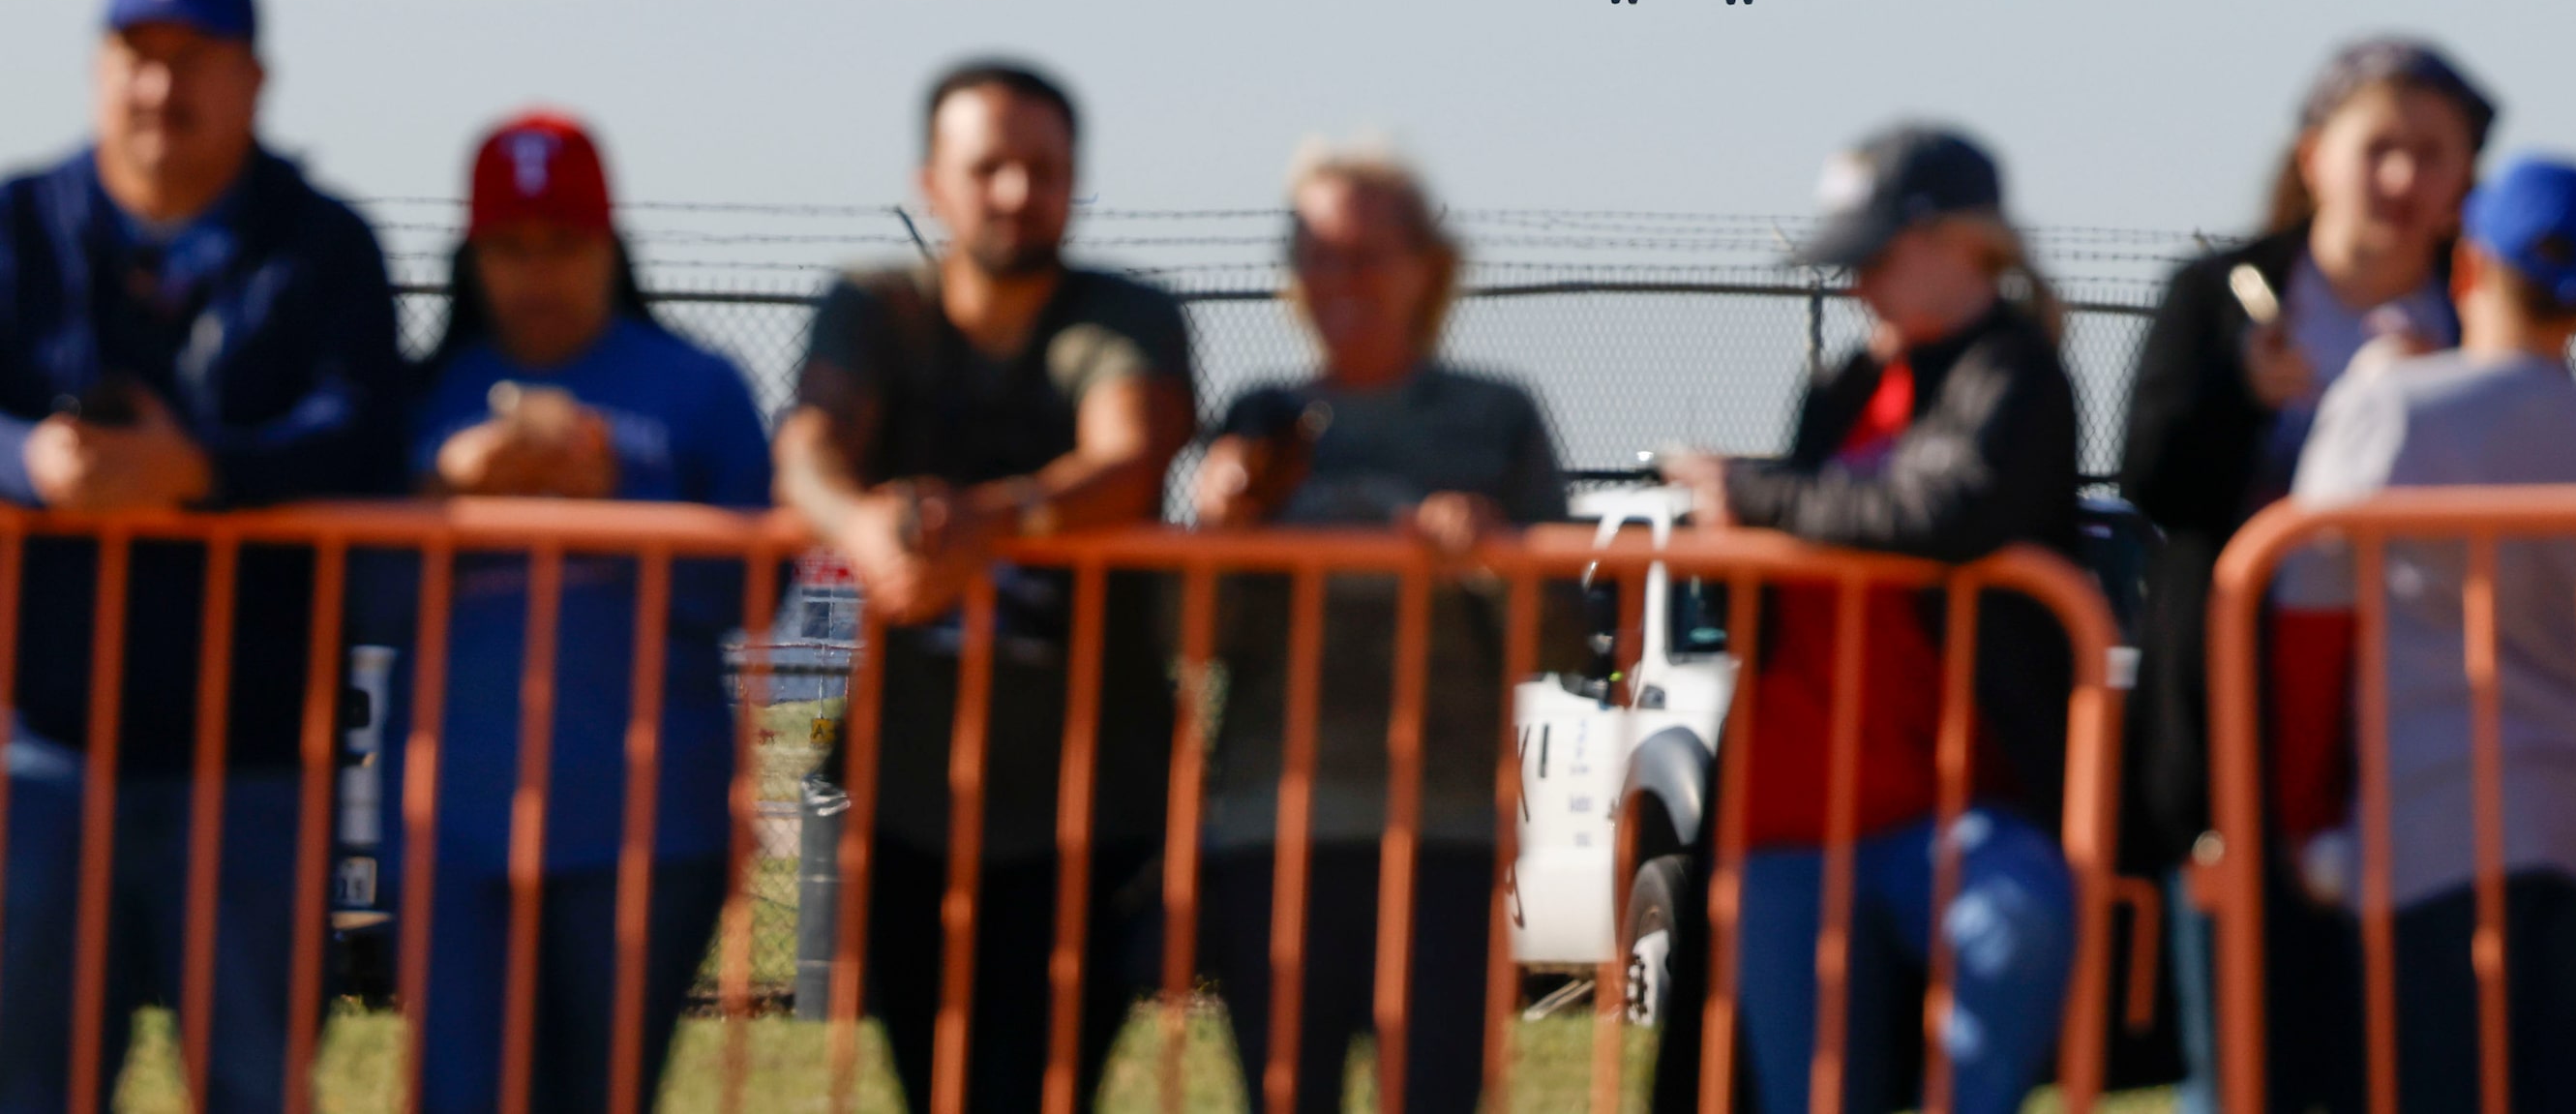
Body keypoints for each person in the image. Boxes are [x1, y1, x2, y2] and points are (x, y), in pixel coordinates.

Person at [0, 0, 406, 1113]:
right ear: (96, 68)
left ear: (255, 80)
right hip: (43, 747)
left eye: (196, 58)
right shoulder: (23, 224)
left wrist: (201, 471)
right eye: (138, 55)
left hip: (257, 756)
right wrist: (33, 459)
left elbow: (361, 435)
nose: (161, 88)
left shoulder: (323, 244)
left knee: (248, 1080)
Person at [773, 61, 1195, 1112]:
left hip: (1094, 803)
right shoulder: (876, 306)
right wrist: (859, 521)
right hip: (914, 796)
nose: (1016, 191)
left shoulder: (1124, 315)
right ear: (933, 182)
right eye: (989, 166)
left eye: (1043, 169)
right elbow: (810, 445)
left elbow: (1126, 456)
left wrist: (986, 524)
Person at [1661, 124, 2082, 1114]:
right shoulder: (1844, 385)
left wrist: (1755, 497)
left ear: (1957, 243)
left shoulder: (2012, 372)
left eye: (1875, 258)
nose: (1855, 288)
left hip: (1943, 801)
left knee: (2012, 928)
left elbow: (1941, 510)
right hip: (1786, 813)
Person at [2120, 37, 2494, 1114]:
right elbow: (2151, 477)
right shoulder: (2220, 297)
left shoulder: (2476, 317)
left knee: (2414, 1059)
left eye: (2430, 152)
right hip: (2240, 743)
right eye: (2378, 145)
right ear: (2314, 153)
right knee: (2243, 1064)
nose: (2400, 178)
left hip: (2420, 739)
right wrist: (2240, 393)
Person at [380, 112, 771, 1114]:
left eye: (565, 244)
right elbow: (357, 600)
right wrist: (440, 493)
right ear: (473, 257)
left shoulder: (696, 390)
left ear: (611, 245)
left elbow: (755, 592)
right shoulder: (416, 398)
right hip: (454, 826)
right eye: (511, 247)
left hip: (642, 828)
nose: (538, 273)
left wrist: (617, 506)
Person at [2272, 155, 2576, 1114]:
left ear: (2465, 266)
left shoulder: (2389, 411)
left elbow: (2311, 628)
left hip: (2419, 824)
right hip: (2563, 823)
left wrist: (2302, 816)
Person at [1190, 145, 1568, 1114]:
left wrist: (1495, 560)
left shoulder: (1494, 417)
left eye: (1366, 254)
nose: (1339, 279)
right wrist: (1217, 532)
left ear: (1426, 266)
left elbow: (1562, 639)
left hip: (1442, 829)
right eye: (1315, 253)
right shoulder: (1258, 418)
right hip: (1270, 830)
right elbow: (1190, 637)